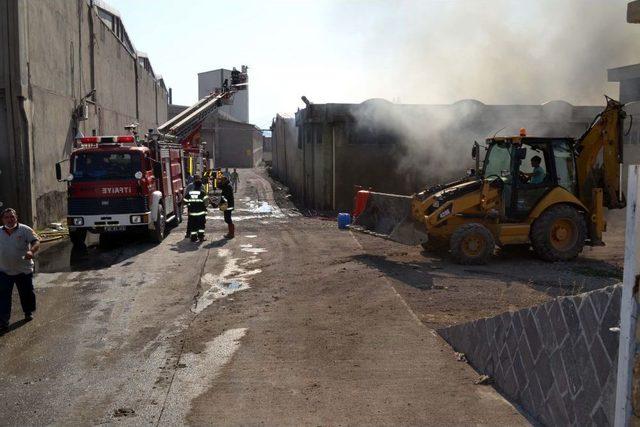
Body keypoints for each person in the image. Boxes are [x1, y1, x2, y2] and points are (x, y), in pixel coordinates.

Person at [0, 208, 40, 333]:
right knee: (3, 297)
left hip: (23, 270)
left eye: (12, 217)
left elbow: (36, 241)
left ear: (16, 217)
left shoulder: (25, 230)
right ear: (3, 219)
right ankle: (3, 323)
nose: (10, 219)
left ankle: (28, 312)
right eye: (6, 217)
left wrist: (31, 251)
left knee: (27, 293)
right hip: (3, 271)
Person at [184, 175, 209, 242]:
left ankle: (193, 238)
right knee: (201, 225)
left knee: (193, 225)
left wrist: (190, 204)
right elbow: (206, 202)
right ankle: (201, 237)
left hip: (192, 212)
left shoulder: (190, 192)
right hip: (201, 213)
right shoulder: (202, 193)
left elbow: (185, 201)